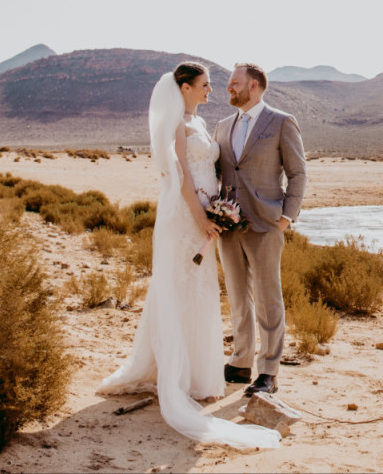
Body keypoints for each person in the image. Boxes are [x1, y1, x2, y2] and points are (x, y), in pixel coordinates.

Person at [97, 62, 281, 450]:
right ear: (183, 88)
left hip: (206, 216)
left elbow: (214, 170)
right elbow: (180, 177)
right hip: (185, 217)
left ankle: (199, 376)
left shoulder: (202, 123)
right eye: (204, 85)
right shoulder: (178, 124)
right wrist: (202, 218)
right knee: (179, 286)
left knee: (198, 290)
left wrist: (218, 211)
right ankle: (176, 376)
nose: (211, 90)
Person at [214, 63, 307, 397]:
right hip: (228, 226)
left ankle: (269, 371)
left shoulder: (281, 122)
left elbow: (298, 173)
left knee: (269, 299)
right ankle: (240, 362)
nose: (228, 88)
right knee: (238, 297)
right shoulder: (223, 126)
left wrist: (286, 217)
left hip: (266, 224)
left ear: (253, 86)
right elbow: (218, 174)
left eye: (234, 83)